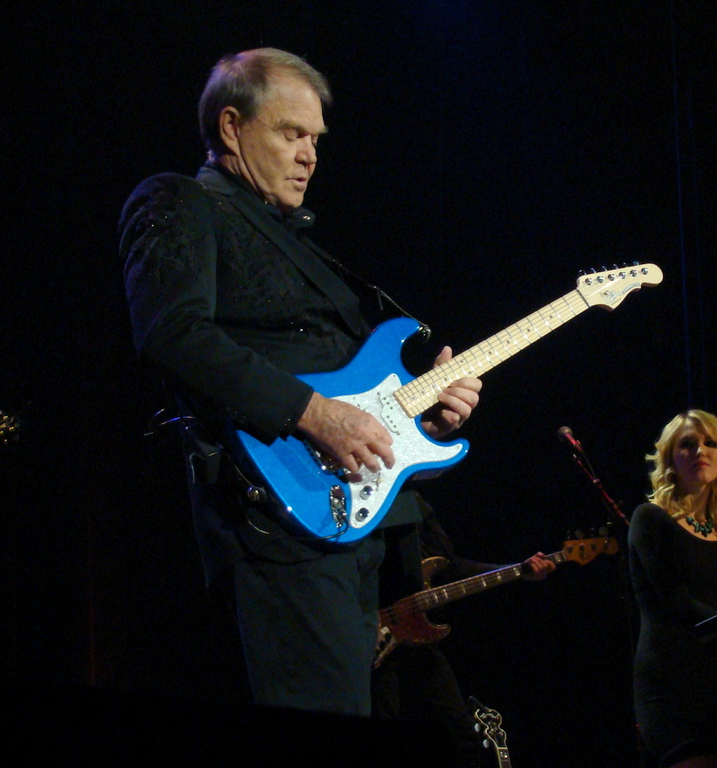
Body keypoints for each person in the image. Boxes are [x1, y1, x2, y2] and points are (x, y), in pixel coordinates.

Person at [119, 47, 482, 718]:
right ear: (231, 127)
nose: (310, 155)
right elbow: (173, 334)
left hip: (359, 528)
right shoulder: (181, 201)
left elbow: (352, 391)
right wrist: (315, 415)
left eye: (315, 139)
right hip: (277, 526)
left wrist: (423, 419)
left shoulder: (302, 241)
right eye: (291, 134)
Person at [374, 493, 555, 767]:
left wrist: (518, 571)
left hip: (419, 640)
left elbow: (449, 567)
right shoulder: (367, 498)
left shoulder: (417, 504)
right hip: (373, 638)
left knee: (460, 737)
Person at [628, 410, 717, 768]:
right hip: (670, 679)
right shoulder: (649, 518)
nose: (701, 450)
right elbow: (676, 603)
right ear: (670, 458)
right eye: (688, 443)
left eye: (711, 443)